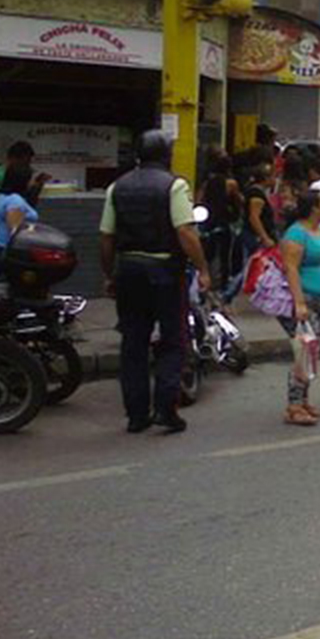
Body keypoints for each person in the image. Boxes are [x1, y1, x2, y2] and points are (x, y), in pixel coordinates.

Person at [99, 131, 210, 434]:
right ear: (166, 155)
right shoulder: (174, 186)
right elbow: (186, 233)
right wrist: (203, 269)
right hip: (164, 270)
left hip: (129, 269)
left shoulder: (117, 188)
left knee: (133, 342)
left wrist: (109, 275)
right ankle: (165, 408)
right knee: (172, 341)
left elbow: (106, 237)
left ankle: (136, 415)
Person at [279, 188, 320, 426]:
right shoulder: (296, 234)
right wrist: (299, 302)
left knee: (311, 352)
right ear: (313, 207)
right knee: (302, 353)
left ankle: (303, 399)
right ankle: (294, 405)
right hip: (307, 299)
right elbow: (291, 268)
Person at [197, 151, 243, 292]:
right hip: (224, 221)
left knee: (208, 252)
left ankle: (205, 278)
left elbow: (199, 199)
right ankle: (222, 283)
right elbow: (239, 201)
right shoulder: (231, 184)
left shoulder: (207, 182)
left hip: (209, 220)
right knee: (225, 254)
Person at [0, 166, 39, 271]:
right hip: (8, 248)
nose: (32, 183)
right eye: (31, 180)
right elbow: (15, 230)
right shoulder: (15, 201)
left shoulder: (0, 196)